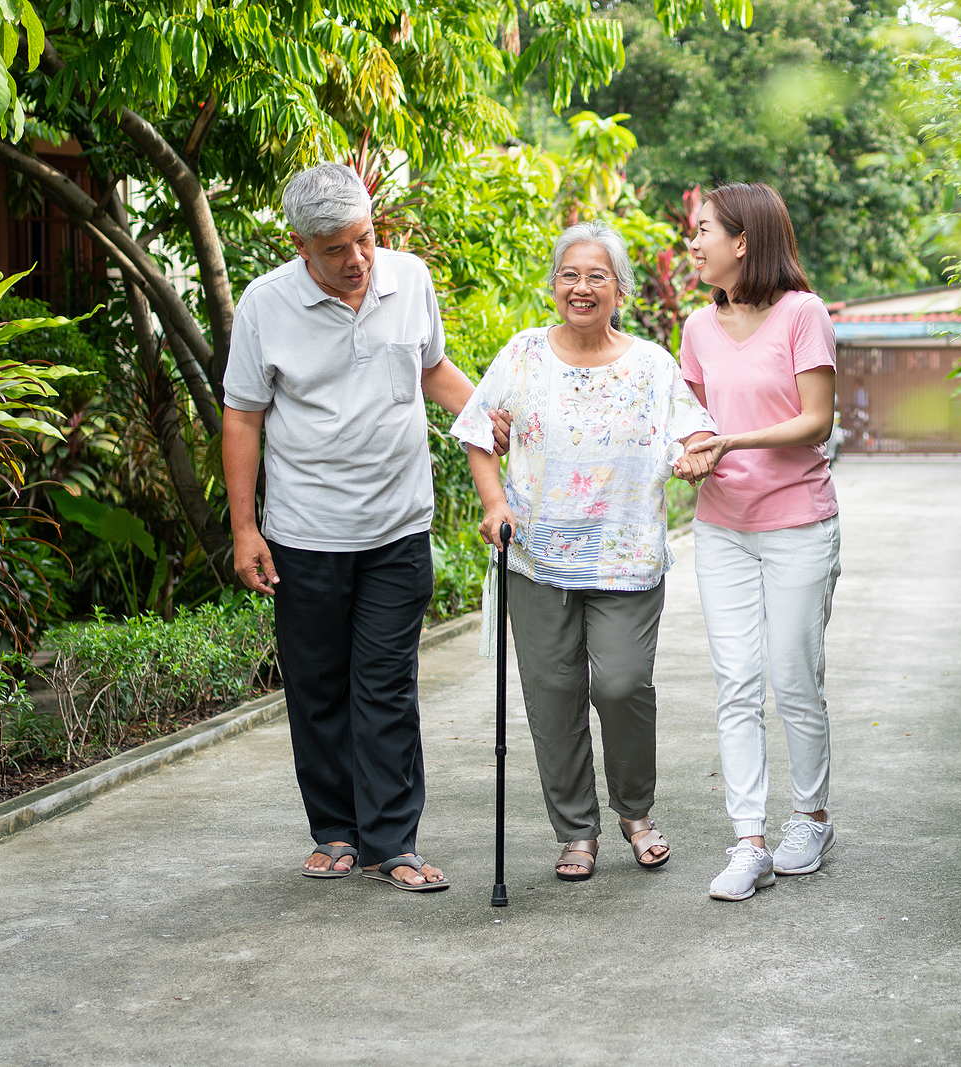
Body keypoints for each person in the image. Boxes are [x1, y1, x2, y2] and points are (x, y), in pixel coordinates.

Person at [222, 163, 477, 892]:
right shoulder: (266, 304)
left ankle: (392, 840)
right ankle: (335, 829)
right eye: (336, 248)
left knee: (387, 685)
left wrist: (494, 413)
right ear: (298, 244)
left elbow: (433, 370)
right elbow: (243, 416)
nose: (358, 259)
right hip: (305, 532)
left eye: (365, 239)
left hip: (398, 525)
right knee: (319, 686)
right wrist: (246, 527)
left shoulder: (409, 281)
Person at [454, 220, 717, 882]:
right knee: (552, 692)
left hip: (625, 559)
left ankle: (635, 810)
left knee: (623, 683)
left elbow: (698, 431)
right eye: (570, 273)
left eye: (597, 275)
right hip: (537, 558)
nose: (581, 286)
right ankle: (576, 830)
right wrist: (494, 504)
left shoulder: (652, 365)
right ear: (553, 283)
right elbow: (479, 432)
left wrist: (691, 454)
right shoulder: (522, 354)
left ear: (619, 288)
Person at [677, 183, 841, 901]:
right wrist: (688, 455)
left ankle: (811, 815)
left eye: (703, 229)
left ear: (743, 240)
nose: (692, 241)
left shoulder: (803, 314)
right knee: (737, 681)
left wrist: (732, 439)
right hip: (721, 528)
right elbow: (688, 419)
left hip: (799, 522)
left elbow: (816, 421)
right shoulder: (695, 327)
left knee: (793, 676)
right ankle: (749, 838)